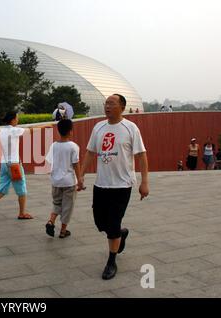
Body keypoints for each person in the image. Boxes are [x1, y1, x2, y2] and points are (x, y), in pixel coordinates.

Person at [79, 94, 149, 280]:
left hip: (122, 185)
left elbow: (141, 155)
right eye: (106, 103)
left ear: (122, 107)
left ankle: (111, 261)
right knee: (100, 223)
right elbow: (90, 152)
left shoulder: (130, 128)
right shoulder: (98, 127)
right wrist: (81, 174)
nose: (107, 106)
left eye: (111, 103)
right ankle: (121, 234)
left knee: (112, 223)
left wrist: (144, 182)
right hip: (101, 184)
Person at [0, 111, 52, 221]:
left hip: (4, 163)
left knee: (2, 190)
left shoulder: (2, 131)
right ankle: (22, 213)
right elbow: (32, 130)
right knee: (22, 190)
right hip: (14, 165)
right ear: (13, 120)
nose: (18, 120)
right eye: (17, 118)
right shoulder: (14, 130)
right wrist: (46, 126)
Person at [44, 119, 82, 239]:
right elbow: (76, 164)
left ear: (58, 131)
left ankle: (51, 221)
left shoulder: (53, 145)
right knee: (67, 206)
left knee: (57, 203)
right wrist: (79, 179)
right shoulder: (73, 146)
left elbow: (50, 161)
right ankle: (63, 231)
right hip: (69, 182)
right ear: (70, 131)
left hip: (56, 181)